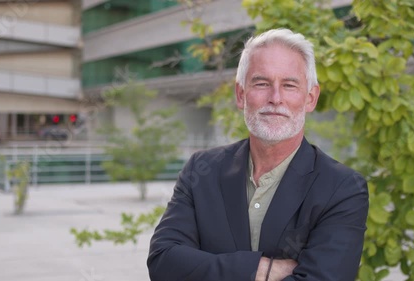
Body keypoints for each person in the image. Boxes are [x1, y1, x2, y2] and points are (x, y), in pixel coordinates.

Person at [147, 28, 369, 281]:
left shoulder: (342, 188)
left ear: (310, 98)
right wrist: (262, 270)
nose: (275, 98)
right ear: (241, 94)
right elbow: (163, 263)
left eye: (289, 85)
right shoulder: (201, 169)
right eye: (262, 83)